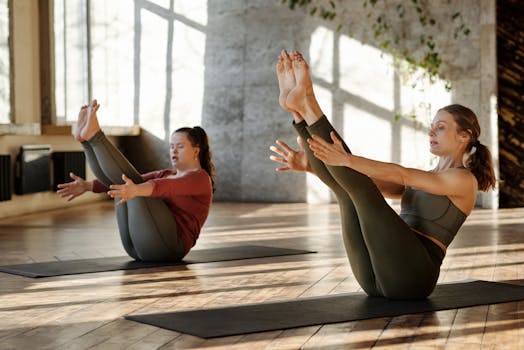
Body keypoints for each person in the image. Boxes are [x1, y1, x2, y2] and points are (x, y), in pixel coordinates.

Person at [270, 50, 496, 299]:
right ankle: (298, 113)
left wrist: (347, 159)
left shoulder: (464, 180)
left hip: (413, 277)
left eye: (441, 128)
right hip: (378, 277)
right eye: (432, 127)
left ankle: (308, 102)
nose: (432, 133)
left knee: (360, 190)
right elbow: (361, 181)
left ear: (464, 136)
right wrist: (311, 167)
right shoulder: (432, 175)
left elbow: (401, 175)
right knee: (349, 193)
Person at [57, 100, 215, 262]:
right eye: (171, 146)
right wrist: (88, 186)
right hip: (136, 247)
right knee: (128, 184)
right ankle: (87, 141)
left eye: (180, 146)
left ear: (196, 151)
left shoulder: (200, 178)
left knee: (135, 186)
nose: (173, 151)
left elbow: (166, 187)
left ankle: (95, 137)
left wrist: (137, 190)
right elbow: (137, 180)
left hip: (169, 248)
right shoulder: (167, 173)